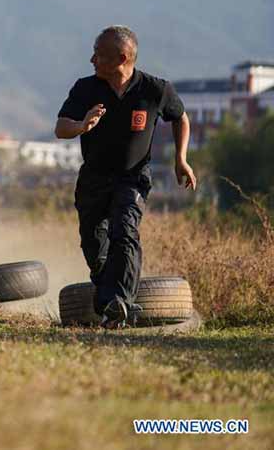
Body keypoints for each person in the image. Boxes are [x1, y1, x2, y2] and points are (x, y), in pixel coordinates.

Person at [55, 25, 197, 328]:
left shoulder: (155, 89)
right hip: (93, 178)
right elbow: (60, 128)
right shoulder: (85, 88)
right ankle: (108, 298)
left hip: (132, 177)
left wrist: (180, 158)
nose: (92, 59)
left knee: (125, 231)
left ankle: (120, 302)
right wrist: (82, 125)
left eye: (99, 54)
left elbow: (180, 118)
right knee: (94, 244)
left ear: (121, 58)